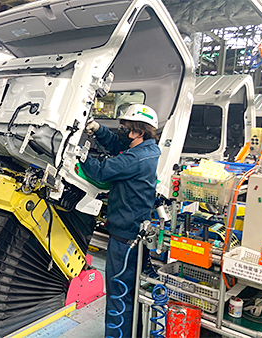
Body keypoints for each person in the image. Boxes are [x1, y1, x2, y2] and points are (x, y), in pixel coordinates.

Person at [81, 103, 161, 338]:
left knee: (119, 295)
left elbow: (101, 171)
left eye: (126, 128)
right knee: (130, 296)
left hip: (125, 240)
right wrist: (96, 129)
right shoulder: (147, 149)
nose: (122, 131)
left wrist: (79, 154)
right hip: (133, 233)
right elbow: (118, 146)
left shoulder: (136, 159)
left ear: (139, 132)